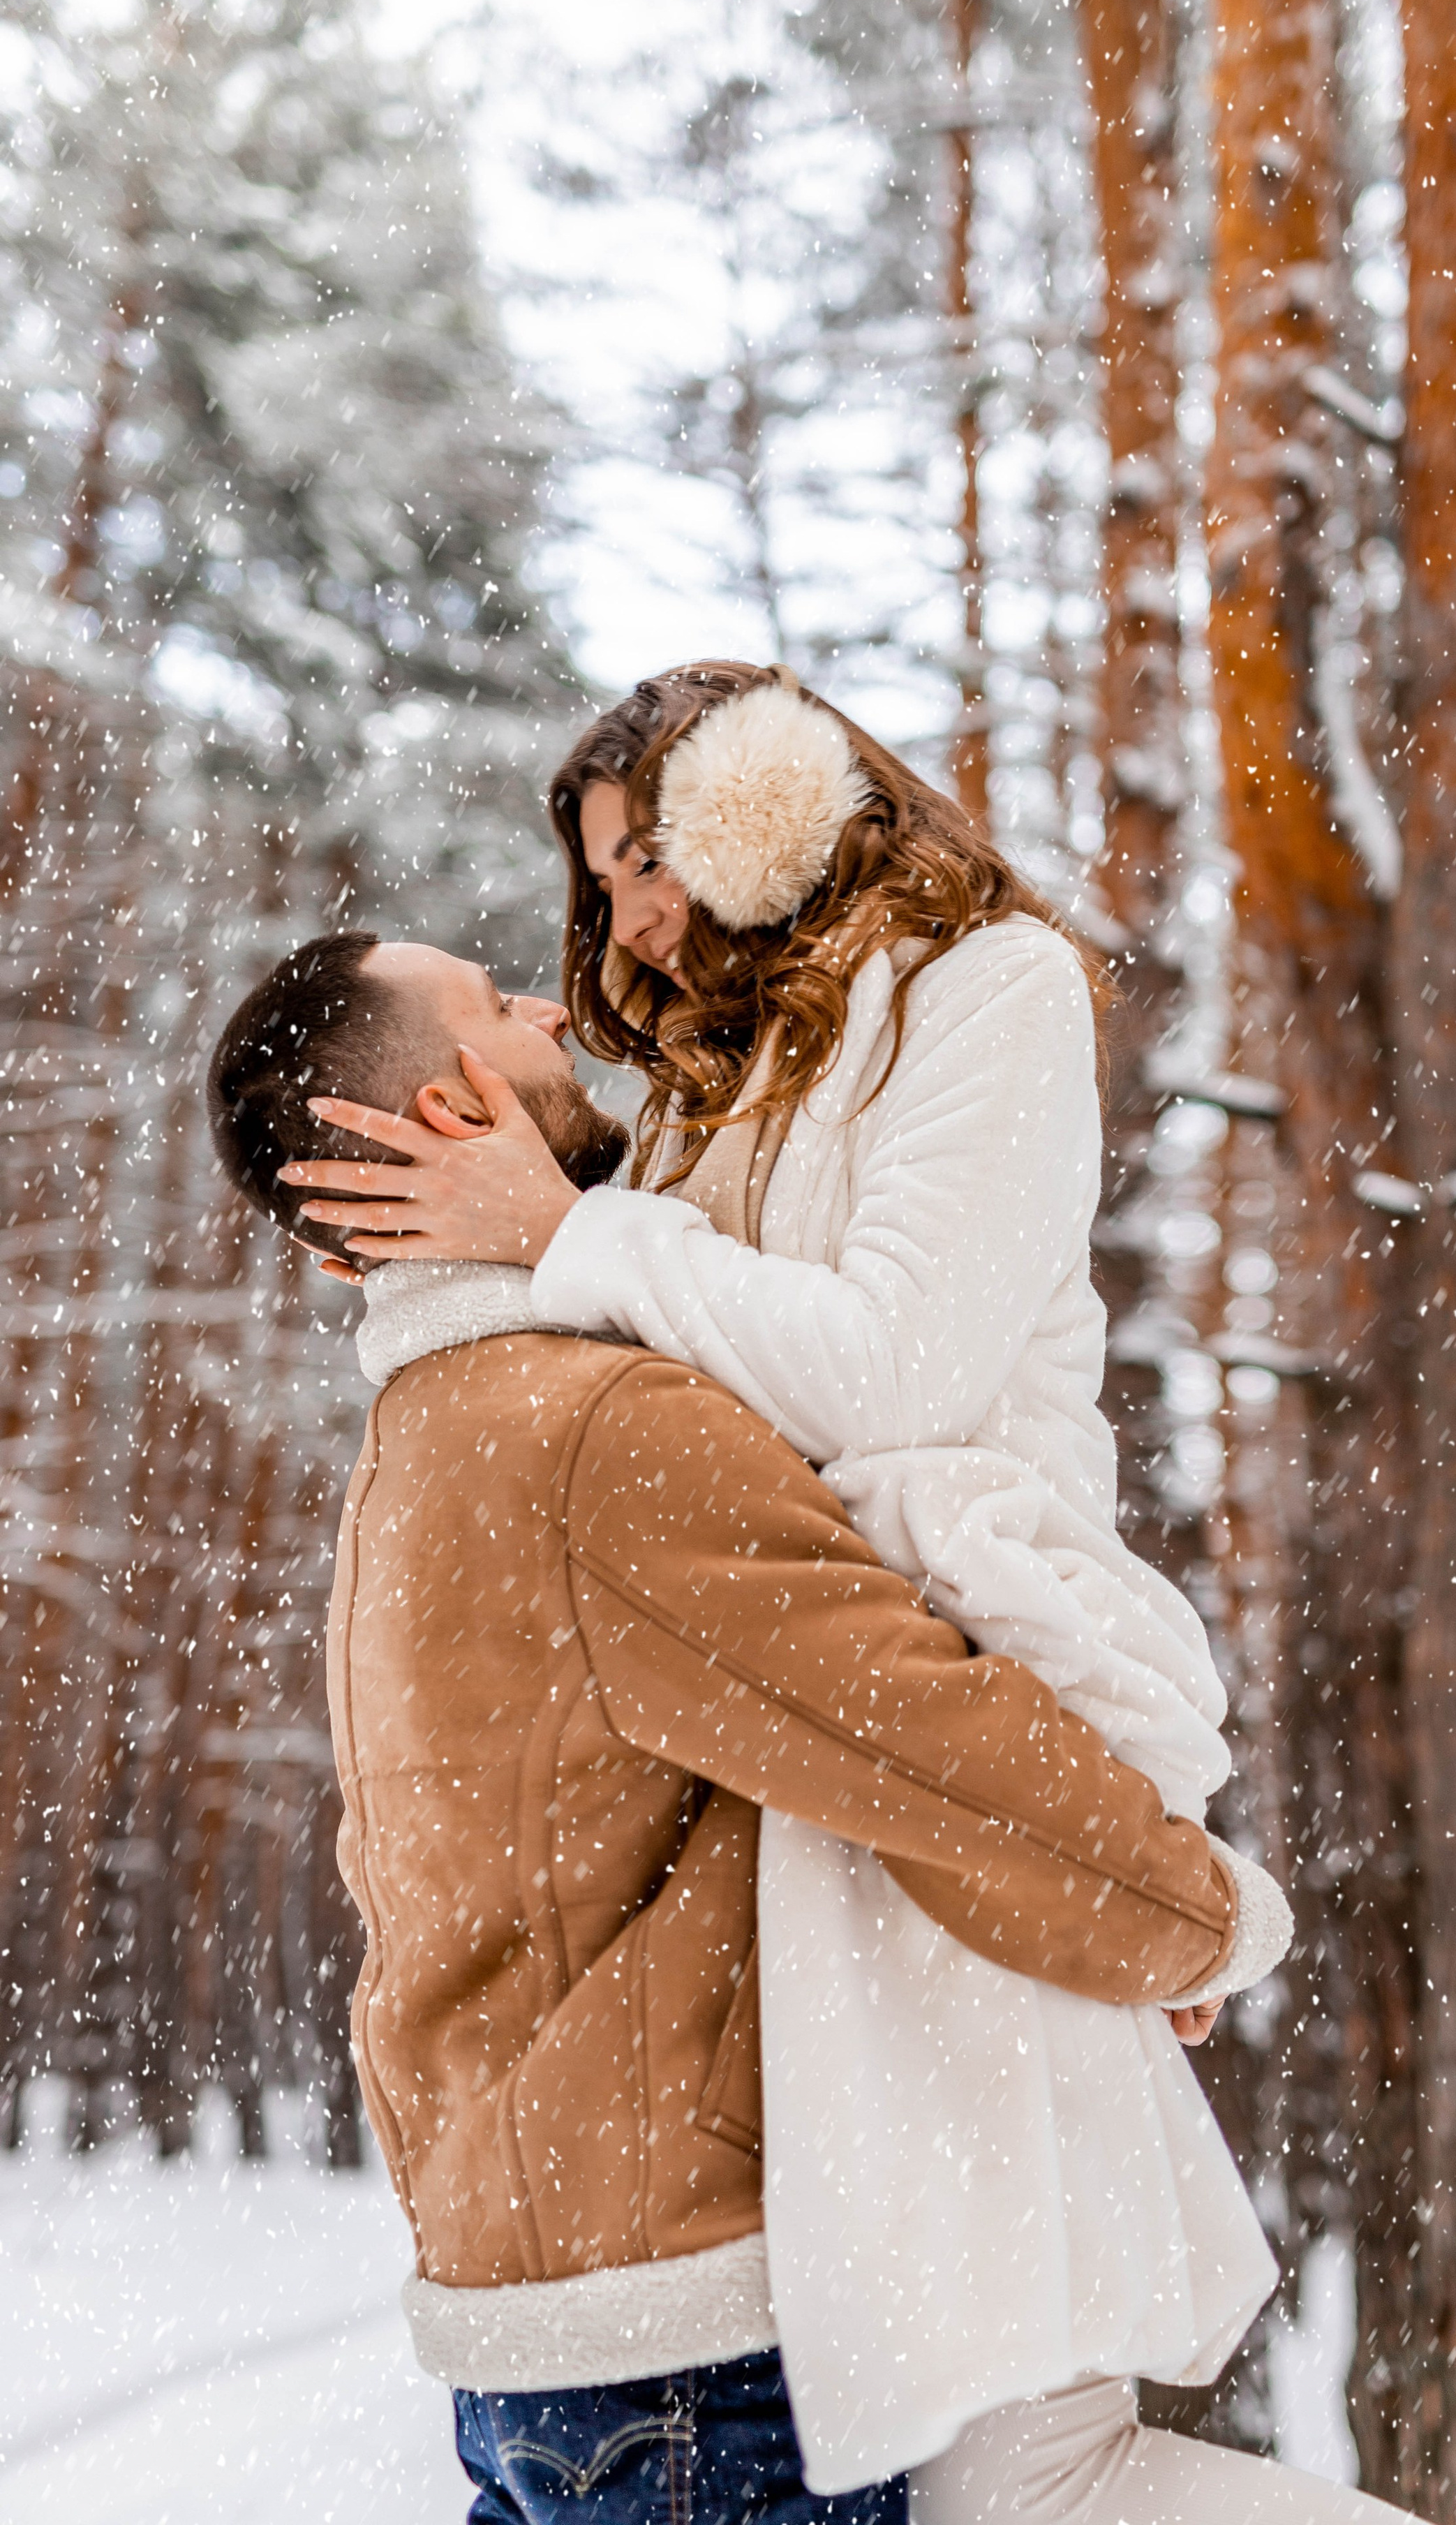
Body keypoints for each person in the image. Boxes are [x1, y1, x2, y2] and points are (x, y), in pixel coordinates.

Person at [279, 667, 1415, 2525]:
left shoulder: (992, 990)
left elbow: (889, 1376)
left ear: (773, 804)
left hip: (945, 1707)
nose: (629, 920)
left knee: (1027, 2475)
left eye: (651, 856)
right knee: (983, 2486)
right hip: (830, 1805)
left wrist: (1116, 1868)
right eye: (608, 879)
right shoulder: (723, 1086)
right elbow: (668, 1441)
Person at [207, 928, 1254, 2525]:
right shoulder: (596, 1427)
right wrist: (1187, 1921)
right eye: (498, 1007)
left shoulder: (423, 1444)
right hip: (691, 2358)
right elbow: (919, 1736)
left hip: (553, 2318)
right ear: (442, 1108)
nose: (553, 1006)